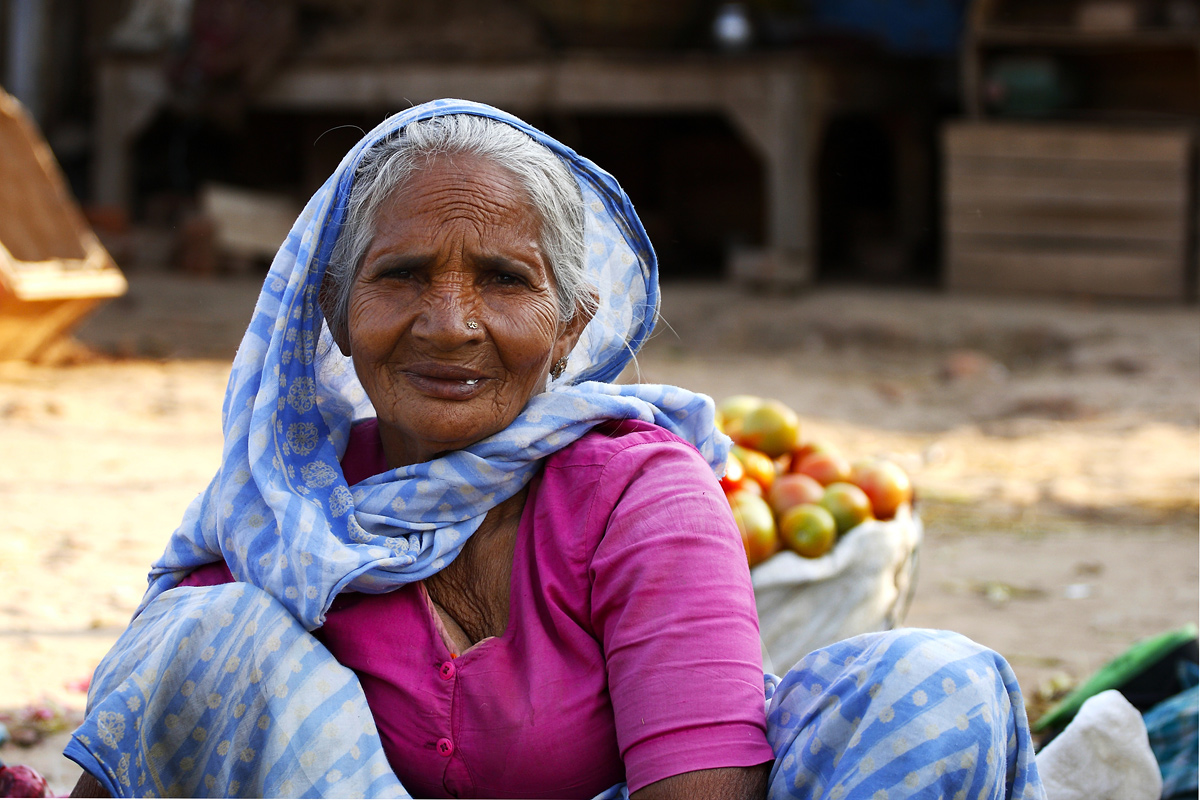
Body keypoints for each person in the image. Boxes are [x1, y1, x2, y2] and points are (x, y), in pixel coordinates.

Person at [65, 100, 1046, 800]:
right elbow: (151, 740)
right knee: (201, 638)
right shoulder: (286, 519)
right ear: (336, 309)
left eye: (502, 278)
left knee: (932, 685)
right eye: (401, 274)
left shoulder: (637, 493)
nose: (448, 323)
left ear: (570, 327)